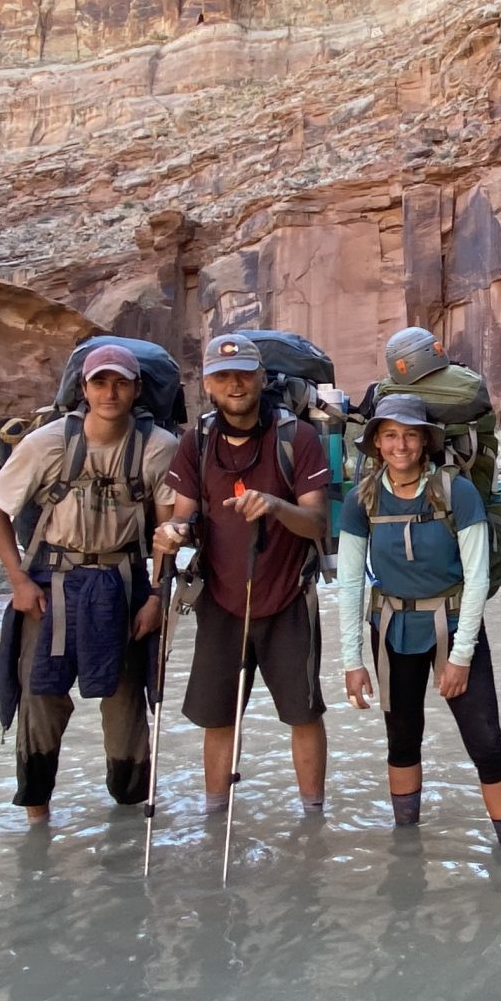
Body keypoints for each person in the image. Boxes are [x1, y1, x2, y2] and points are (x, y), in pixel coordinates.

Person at [0, 343, 177, 823]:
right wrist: (18, 579)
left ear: (135, 389)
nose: (110, 392)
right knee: (40, 701)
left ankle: (129, 820)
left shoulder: (159, 448)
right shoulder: (45, 443)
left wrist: (157, 598)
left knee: (125, 705)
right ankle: (36, 817)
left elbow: (169, 531)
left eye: (121, 382)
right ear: (84, 389)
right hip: (51, 587)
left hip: (124, 588)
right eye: (100, 382)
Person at [157, 331, 334, 817]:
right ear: (209, 386)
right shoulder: (197, 442)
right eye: (222, 376)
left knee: (304, 713)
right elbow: (185, 517)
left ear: (261, 378)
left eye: (243, 374)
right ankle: (216, 815)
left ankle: (312, 819)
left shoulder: (296, 438)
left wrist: (275, 506)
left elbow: (317, 523)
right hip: (220, 601)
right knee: (218, 717)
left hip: (288, 600)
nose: (234, 384)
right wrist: (172, 533)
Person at [336, 392, 501, 846]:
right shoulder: (361, 499)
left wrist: (460, 657)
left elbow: (477, 578)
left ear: (425, 443)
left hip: (455, 627)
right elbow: (349, 583)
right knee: (401, 741)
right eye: (391, 436)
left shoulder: (455, 490)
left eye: (410, 436)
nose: (400, 445)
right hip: (391, 630)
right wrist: (352, 661)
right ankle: (407, 847)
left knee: (486, 744)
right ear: (377, 443)